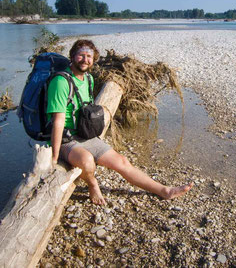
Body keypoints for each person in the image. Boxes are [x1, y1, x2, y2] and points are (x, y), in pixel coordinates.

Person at [47, 39, 193, 205]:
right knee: (87, 161)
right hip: (66, 139)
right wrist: (54, 157)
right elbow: (58, 122)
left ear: (94, 60)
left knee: (122, 161)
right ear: (72, 56)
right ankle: (92, 184)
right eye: (81, 55)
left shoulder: (88, 79)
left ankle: (165, 191)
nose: (85, 60)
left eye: (89, 56)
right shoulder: (60, 82)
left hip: (84, 134)